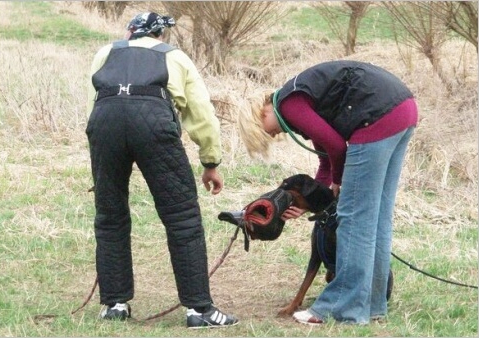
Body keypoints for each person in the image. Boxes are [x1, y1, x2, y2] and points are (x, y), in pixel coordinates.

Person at [85, 12, 238, 328]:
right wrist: (210, 162)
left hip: (105, 128)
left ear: (131, 33)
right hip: (153, 125)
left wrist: (99, 157)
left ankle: (115, 305)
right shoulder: (176, 57)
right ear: (160, 36)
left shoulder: (106, 52)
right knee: (182, 218)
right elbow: (202, 115)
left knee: (109, 216)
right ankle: (199, 310)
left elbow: (95, 105)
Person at [238, 60, 418, 325]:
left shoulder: (289, 104)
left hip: (375, 119)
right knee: (376, 218)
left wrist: (339, 181)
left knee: (354, 220)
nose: (274, 134)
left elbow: (336, 147)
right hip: (403, 111)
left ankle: (341, 307)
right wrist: (313, 201)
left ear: (262, 113)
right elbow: (326, 158)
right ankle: (372, 304)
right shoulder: (300, 100)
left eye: (266, 132)